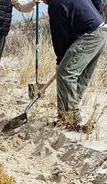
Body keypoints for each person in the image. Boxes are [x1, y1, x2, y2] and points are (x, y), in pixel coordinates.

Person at [42, 0, 106, 129]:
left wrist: (61, 61)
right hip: (101, 31)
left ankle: (69, 119)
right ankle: (68, 116)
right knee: (79, 75)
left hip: (90, 34)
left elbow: (60, 36)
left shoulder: (55, 5)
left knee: (66, 72)